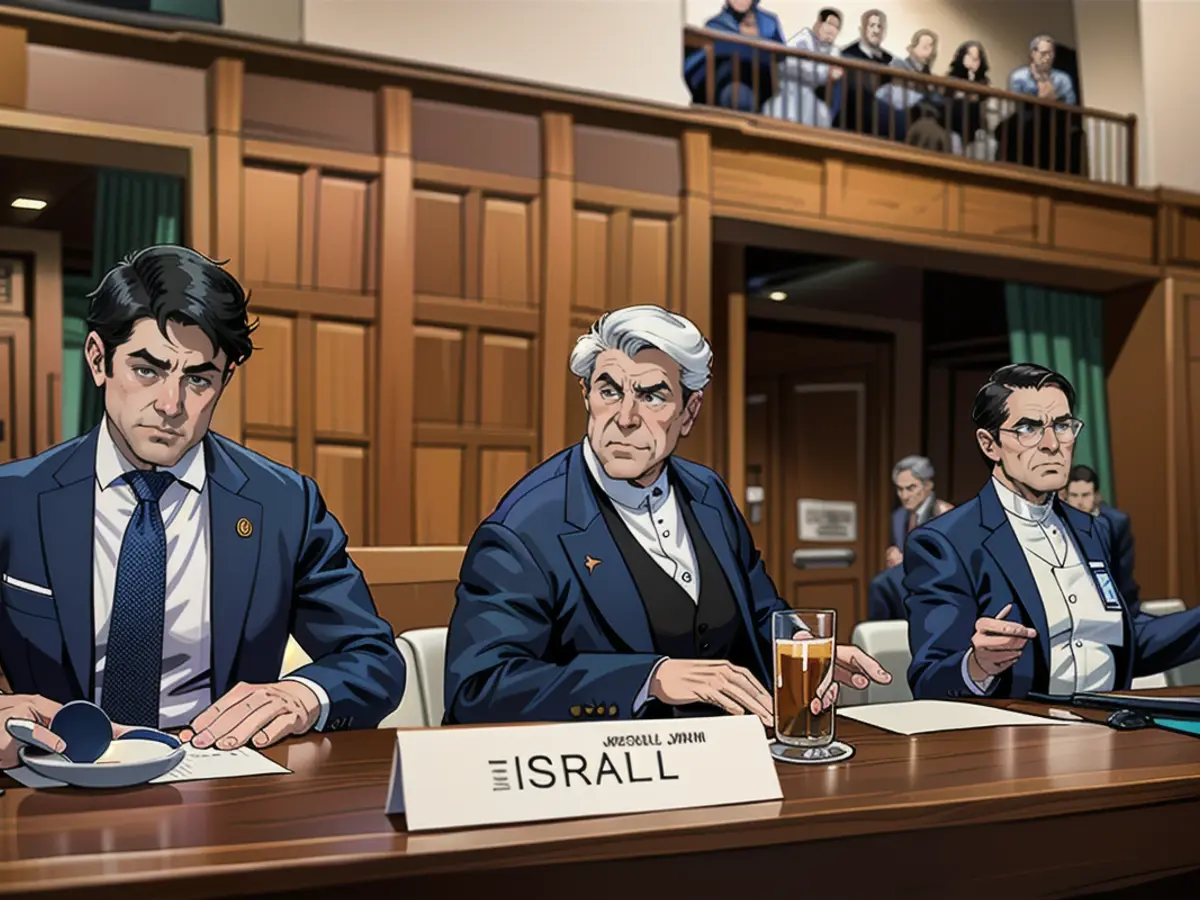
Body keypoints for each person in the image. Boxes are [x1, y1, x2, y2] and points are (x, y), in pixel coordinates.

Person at [0, 245, 405, 769]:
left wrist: (301, 697)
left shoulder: (283, 504)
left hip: (219, 781)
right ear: (98, 359)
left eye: (198, 379)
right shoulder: (14, 499)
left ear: (226, 377)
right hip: (51, 780)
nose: (171, 405)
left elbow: (373, 659)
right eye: (148, 371)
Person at [444, 306, 891, 726]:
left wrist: (799, 647)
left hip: (730, 761)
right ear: (586, 395)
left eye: (652, 396)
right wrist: (649, 678)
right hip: (605, 779)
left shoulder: (707, 492)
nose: (625, 418)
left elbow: (758, 610)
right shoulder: (525, 527)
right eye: (609, 391)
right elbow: (478, 690)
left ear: (688, 412)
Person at [904, 364, 1200, 700]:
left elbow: (1132, 638)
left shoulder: (1095, 529)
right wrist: (977, 665)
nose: (1052, 444)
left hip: (1114, 727)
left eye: (1062, 426)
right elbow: (929, 680)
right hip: (1016, 736)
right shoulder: (947, 541)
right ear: (990, 445)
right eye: (1028, 428)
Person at [684, 0, 786, 113]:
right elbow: (695, 65)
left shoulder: (769, 23)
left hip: (762, 88)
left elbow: (781, 57)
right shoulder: (715, 25)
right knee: (739, 95)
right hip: (727, 85)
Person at [1061, 464, 1139, 611]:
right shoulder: (1058, 523)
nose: (1079, 502)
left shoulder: (1116, 523)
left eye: (1085, 495)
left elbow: (1122, 571)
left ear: (1096, 496)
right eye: (1074, 495)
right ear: (1065, 496)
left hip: (1117, 594)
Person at [885, 454, 952, 569]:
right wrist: (892, 553)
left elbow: (951, 561)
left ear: (928, 485)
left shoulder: (945, 514)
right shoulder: (898, 516)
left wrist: (907, 560)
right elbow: (897, 546)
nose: (904, 496)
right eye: (900, 489)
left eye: (911, 488)